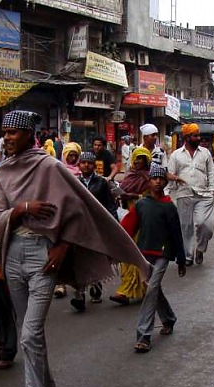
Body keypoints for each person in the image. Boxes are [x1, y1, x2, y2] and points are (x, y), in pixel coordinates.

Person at [0, 110, 150, 387]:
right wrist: (22, 210)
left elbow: (78, 209)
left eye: (14, 132)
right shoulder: (3, 171)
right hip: (13, 256)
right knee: (29, 335)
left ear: (30, 135)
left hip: (44, 256)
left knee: (29, 334)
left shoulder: (50, 167)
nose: (7, 137)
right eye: (4, 132)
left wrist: (63, 245)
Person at [122, 163, 187, 353]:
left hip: (163, 254)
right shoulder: (141, 205)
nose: (158, 182)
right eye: (154, 178)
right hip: (144, 254)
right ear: (148, 181)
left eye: (161, 179)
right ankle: (168, 319)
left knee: (150, 289)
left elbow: (177, 235)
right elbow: (128, 228)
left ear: (166, 182)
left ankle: (144, 335)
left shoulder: (169, 207)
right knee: (154, 289)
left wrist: (181, 260)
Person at [70, 150, 117, 311]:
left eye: (89, 163)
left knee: (96, 258)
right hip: (80, 227)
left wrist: (113, 225)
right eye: (83, 162)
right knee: (80, 261)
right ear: (79, 164)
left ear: (94, 165)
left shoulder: (102, 183)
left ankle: (96, 289)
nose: (86, 165)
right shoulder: (73, 182)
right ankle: (80, 295)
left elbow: (110, 205)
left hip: (97, 226)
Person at [168, 123, 214, 266]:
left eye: (198, 135)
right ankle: (188, 256)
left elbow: (211, 173)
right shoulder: (176, 155)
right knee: (185, 227)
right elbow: (170, 175)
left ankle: (200, 249)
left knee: (206, 225)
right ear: (187, 137)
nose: (199, 138)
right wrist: (166, 193)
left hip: (204, 195)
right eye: (195, 135)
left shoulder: (205, 153)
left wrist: (213, 191)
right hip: (183, 194)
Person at [110, 146, 152, 305]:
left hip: (143, 221)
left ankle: (126, 292)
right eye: (137, 158)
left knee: (137, 254)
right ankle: (130, 288)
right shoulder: (129, 177)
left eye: (142, 159)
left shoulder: (151, 179)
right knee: (126, 254)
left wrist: (136, 196)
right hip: (127, 219)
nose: (139, 162)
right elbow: (121, 193)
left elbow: (153, 199)